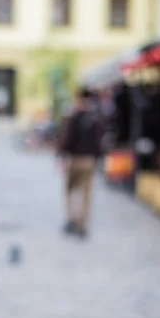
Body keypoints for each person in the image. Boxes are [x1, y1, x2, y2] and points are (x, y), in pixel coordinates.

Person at [56, 88, 103, 236]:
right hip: (90, 160)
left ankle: (73, 220)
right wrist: (97, 158)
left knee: (72, 191)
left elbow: (67, 139)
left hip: (76, 159)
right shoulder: (96, 118)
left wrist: (62, 156)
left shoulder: (74, 117)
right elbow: (100, 142)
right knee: (86, 194)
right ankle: (82, 224)